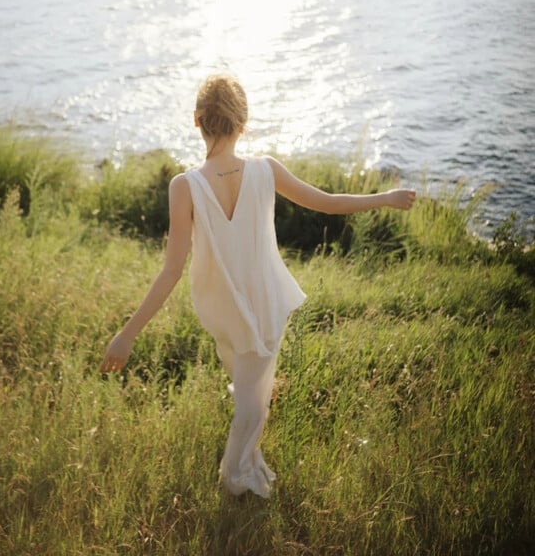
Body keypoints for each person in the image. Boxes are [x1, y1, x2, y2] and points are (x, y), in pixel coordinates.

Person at [99, 74, 416, 498]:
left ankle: (236, 475)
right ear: (243, 124)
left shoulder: (184, 185)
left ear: (197, 121)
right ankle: (237, 478)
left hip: (222, 305)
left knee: (250, 396)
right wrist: (384, 197)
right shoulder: (264, 170)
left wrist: (127, 334)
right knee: (251, 394)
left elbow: (171, 270)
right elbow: (328, 202)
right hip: (263, 299)